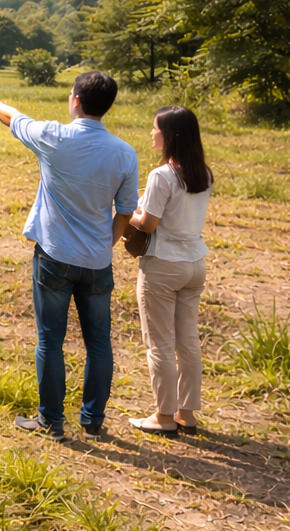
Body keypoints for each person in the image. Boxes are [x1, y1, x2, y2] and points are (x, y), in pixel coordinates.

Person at [0, 72, 139, 442]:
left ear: (76, 100)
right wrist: (107, 244)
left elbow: (12, 117)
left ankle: (51, 420)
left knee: (50, 339)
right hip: (97, 262)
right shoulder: (125, 153)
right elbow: (126, 210)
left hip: (54, 256)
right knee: (99, 342)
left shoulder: (53, 136)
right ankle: (93, 421)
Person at [126, 106, 212, 436]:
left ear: (170, 136)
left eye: (156, 129)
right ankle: (186, 414)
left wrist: (128, 212)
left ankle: (163, 416)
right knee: (188, 341)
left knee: (160, 343)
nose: (152, 133)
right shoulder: (203, 174)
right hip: (195, 263)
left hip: (163, 264)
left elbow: (148, 223)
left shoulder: (161, 175)